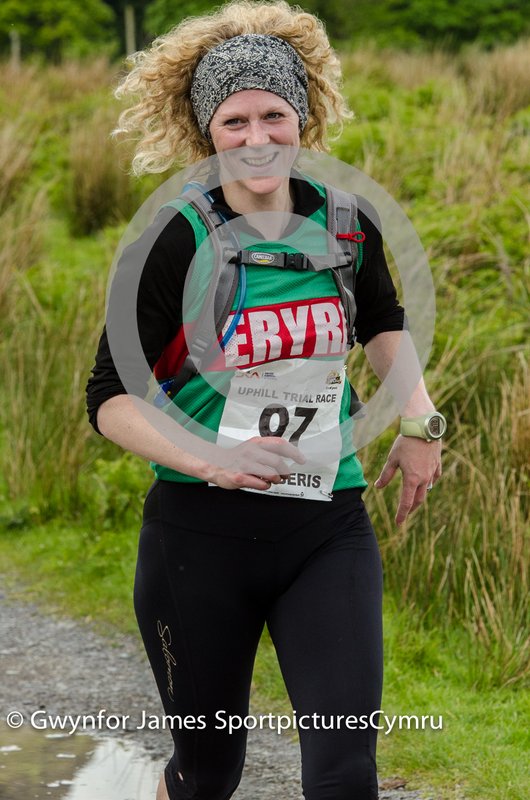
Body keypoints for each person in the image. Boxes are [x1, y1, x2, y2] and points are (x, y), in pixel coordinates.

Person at [86, 2, 444, 798]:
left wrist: (421, 419)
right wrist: (211, 459)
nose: (257, 139)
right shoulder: (172, 240)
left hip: (327, 526)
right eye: (235, 121)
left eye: (274, 115)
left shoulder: (346, 224)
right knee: (207, 775)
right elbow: (110, 398)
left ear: (303, 117)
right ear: (207, 132)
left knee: (346, 772)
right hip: (198, 537)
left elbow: (382, 321)